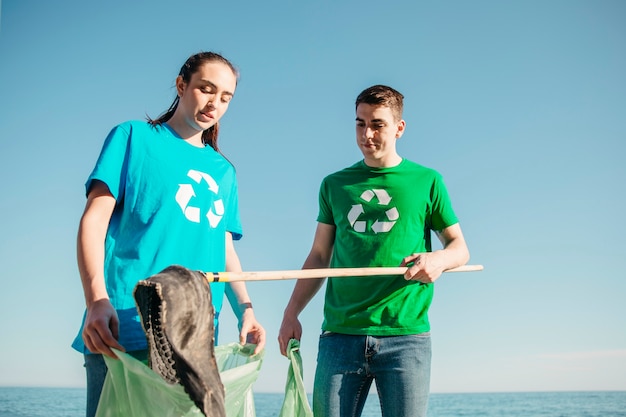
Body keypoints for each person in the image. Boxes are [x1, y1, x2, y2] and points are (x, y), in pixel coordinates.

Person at [73, 51, 266, 417]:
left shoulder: (224, 171)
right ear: (181, 85)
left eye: (226, 97)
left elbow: (223, 246)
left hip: (194, 335)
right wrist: (96, 300)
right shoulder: (132, 137)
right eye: (206, 89)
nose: (215, 103)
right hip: (124, 326)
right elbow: (93, 221)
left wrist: (247, 311)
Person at [278, 85, 470, 417]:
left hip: (406, 337)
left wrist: (438, 259)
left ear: (399, 127)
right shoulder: (335, 185)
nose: (367, 134)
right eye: (359, 123)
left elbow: (459, 249)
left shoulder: (427, 181)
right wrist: (291, 312)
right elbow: (320, 255)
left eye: (377, 124)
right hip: (341, 334)